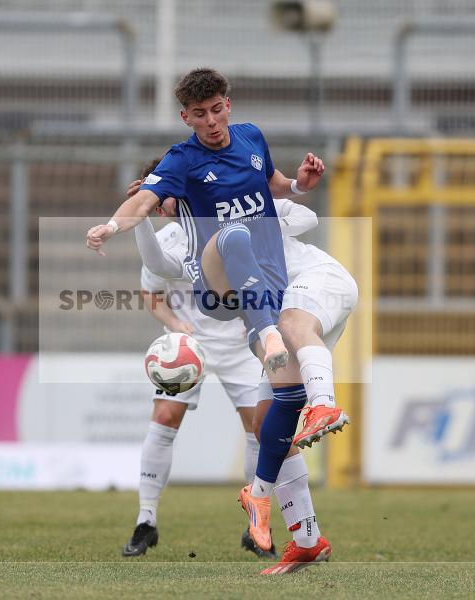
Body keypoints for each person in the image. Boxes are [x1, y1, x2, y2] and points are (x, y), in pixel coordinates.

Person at [85, 68, 334, 568]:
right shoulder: (182, 170)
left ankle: (281, 528)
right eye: (199, 114)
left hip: (250, 319)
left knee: (266, 428)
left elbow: (278, 185)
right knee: (166, 417)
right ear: (186, 118)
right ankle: (146, 520)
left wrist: (300, 186)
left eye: (217, 108)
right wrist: (115, 224)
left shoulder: (251, 138)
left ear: (228, 104)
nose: (212, 121)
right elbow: (151, 256)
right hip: (203, 330)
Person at [132, 168, 357, 573]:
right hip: (250, 329)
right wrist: (141, 220)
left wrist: (272, 210)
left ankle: (323, 405)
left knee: (290, 328)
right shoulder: (185, 250)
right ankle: (306, 538)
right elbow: (157, 272)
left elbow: (303, 220)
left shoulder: (231, 214)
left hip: (306, 290)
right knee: (268, 421)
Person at [122, 161, 271, 559]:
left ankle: (256, 525)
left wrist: (254, 319)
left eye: (165, 193)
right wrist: (176, 323)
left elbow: (261, 277)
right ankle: (146, 520)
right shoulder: (166, 241)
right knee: (165, 418)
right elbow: (150, 292)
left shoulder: (224, 227)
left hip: (239, 343)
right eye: (155, 201)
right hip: (188, 346)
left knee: (258, 427)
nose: (162, 204)